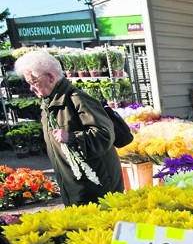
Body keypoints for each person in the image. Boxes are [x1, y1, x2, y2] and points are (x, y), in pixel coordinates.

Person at [14, 50, 124, 206]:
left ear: (50, 77)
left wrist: (71, 137)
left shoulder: (77, 99)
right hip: (75, 189)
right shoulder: (49, 103)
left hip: (97, 191)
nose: (31, 88)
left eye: (33, 82)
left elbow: (105, 135)